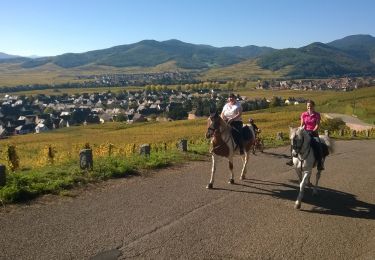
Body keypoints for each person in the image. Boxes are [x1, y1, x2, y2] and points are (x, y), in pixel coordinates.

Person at [286, 100, 324, 170]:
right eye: (308, 106)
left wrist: (313, 131)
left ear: (313, 106)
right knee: (293, 144)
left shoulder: (317, 115)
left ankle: (319, 163)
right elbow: (302, 125)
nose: (309, 107)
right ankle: (292, 159)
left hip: (313, 133)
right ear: (307, 106)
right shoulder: (303, 114)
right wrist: (299, 131)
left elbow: (317, 125)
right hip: (304, 132)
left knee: (318, 146)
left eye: (311, 106)